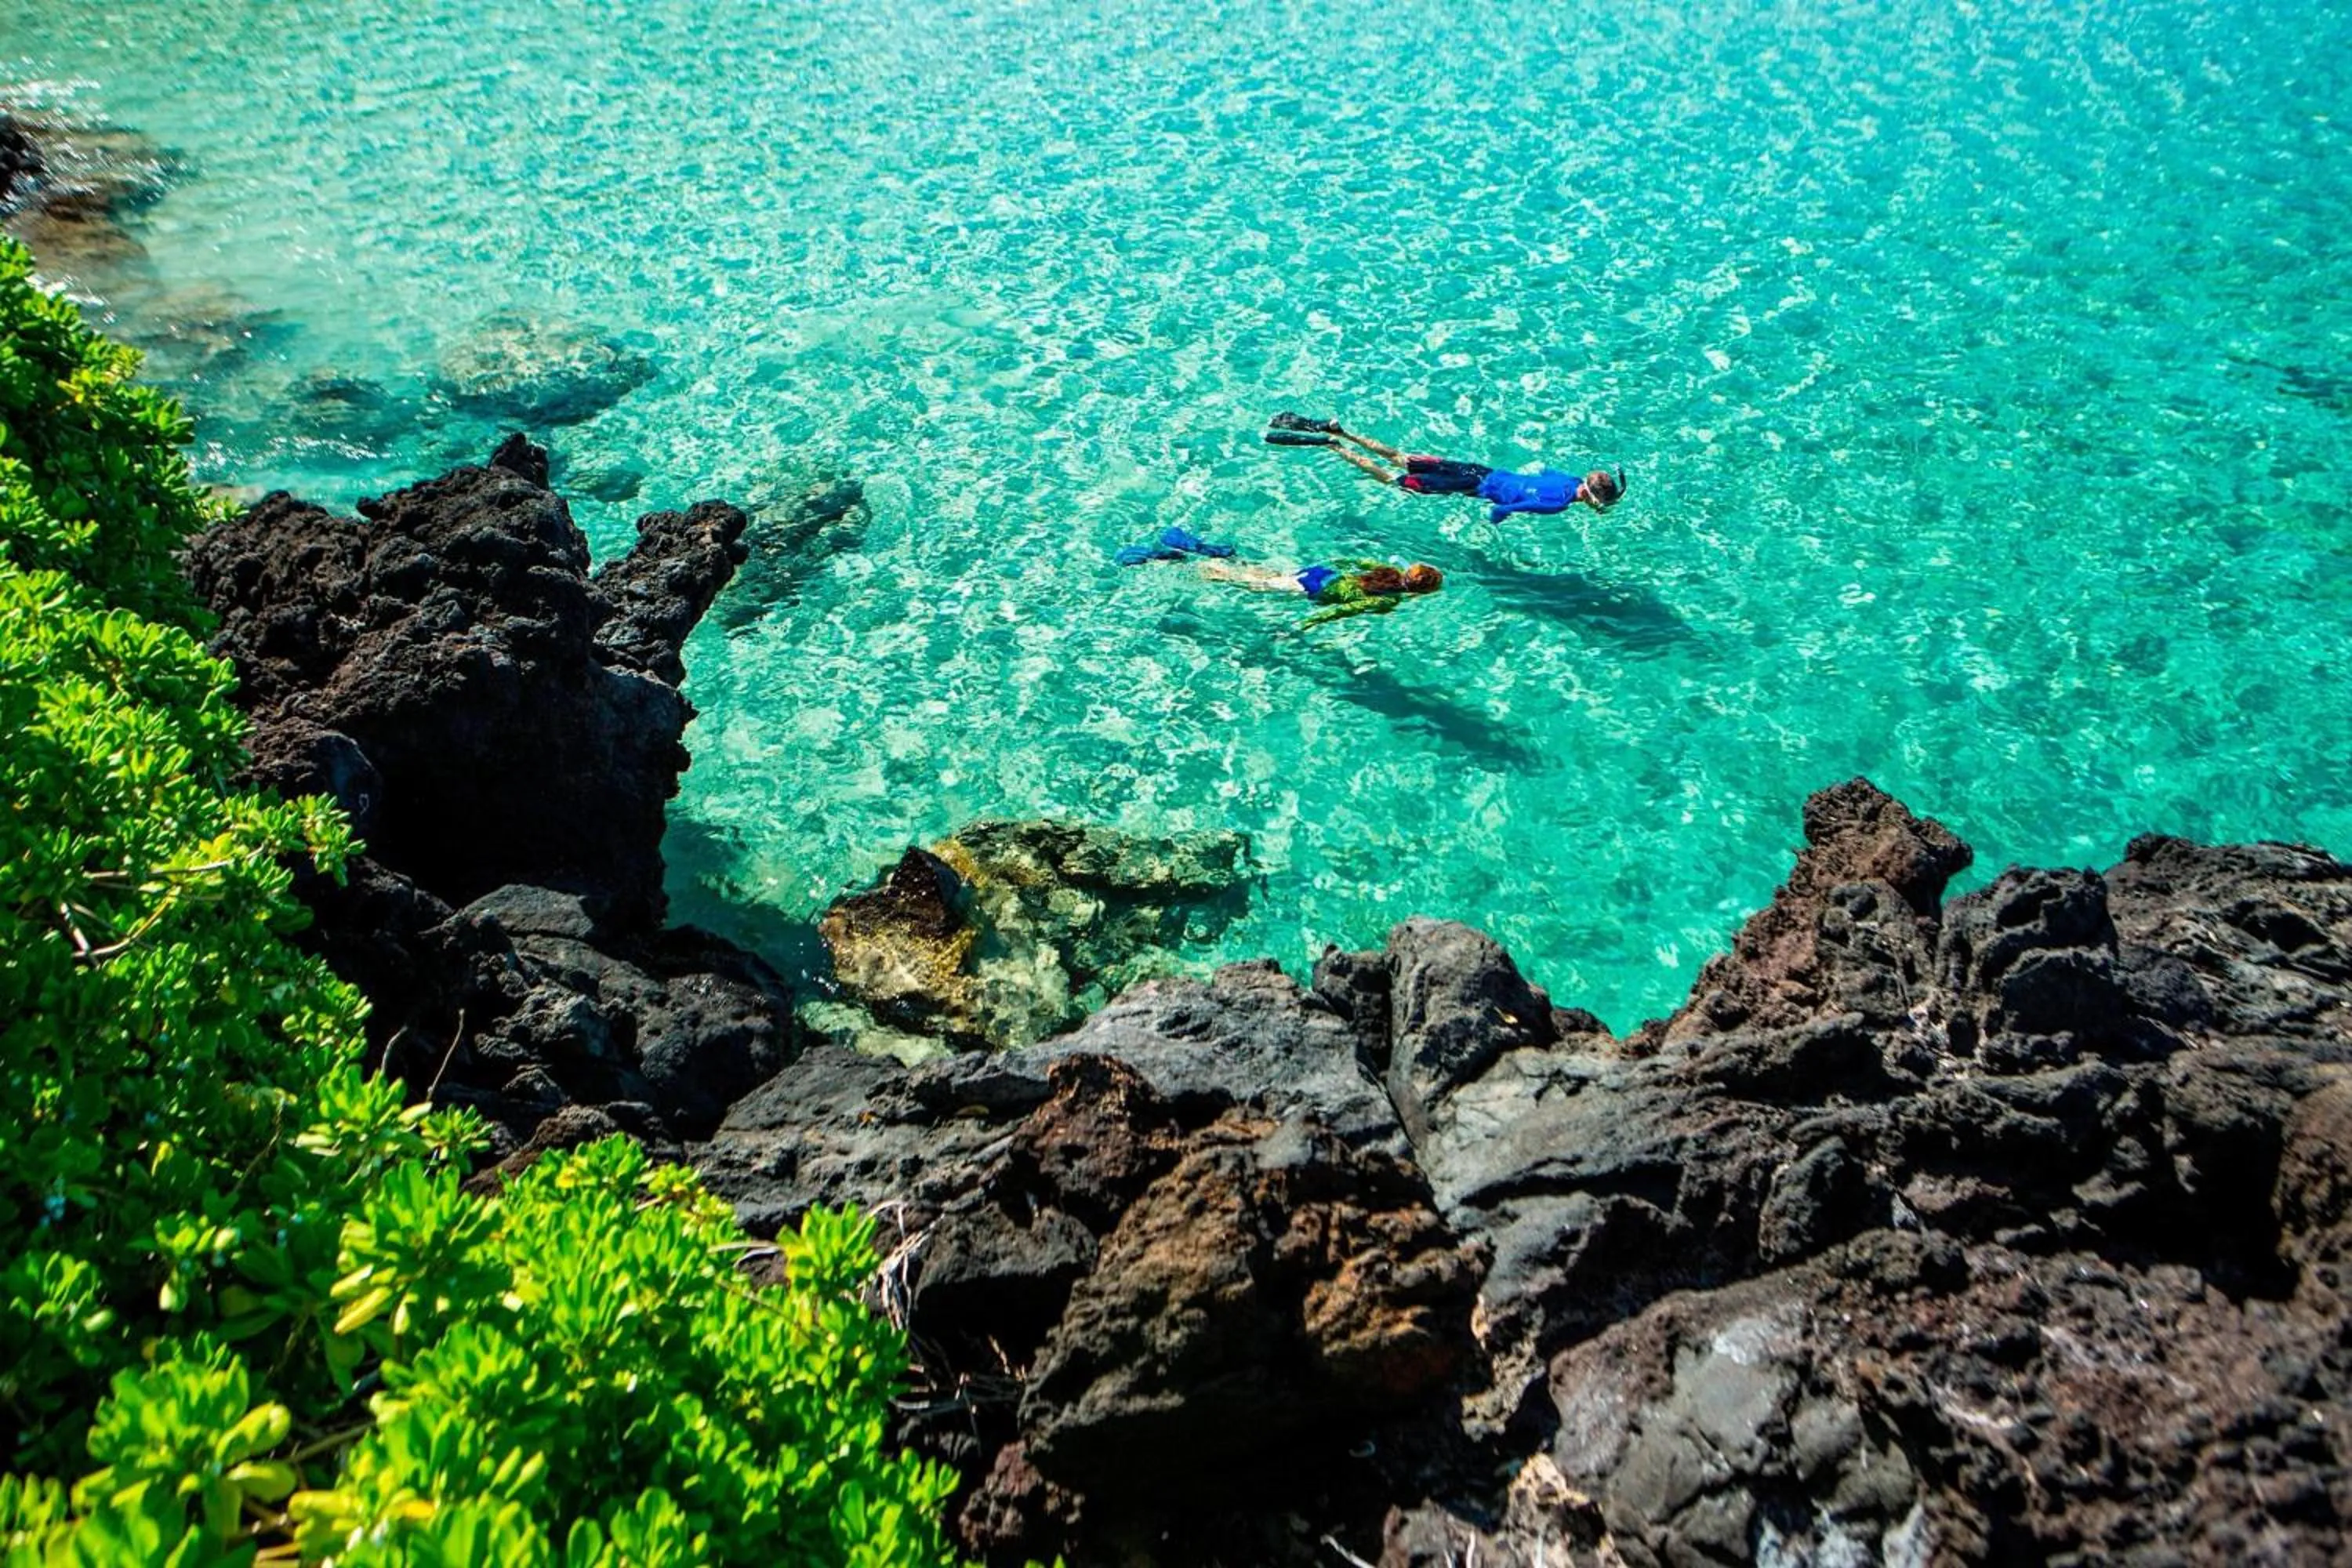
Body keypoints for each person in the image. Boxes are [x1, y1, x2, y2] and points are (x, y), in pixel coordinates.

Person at [1265, 412, 1625, 524]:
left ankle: (1339, 429)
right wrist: (1495, 526)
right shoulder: (1558, 505)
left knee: (1401, 457)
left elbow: (1544, 470)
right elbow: (1502, 510)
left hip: (1480, 471)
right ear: (1590, 496)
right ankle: (1334, 446)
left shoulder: (1567, 481)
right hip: (1471, 489)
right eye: (1602, 504)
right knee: (1395, 480)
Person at [1112, 527, 1443, 628]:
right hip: (1307, 588)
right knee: (1226, 578)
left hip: (1317, 572)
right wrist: (1306, 625)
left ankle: (1207, 549)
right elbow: (1342, 611)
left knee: (1251, 570)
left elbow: (1353, 559)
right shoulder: (1386, 601)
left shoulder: (1385, 571)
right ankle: (1160, 560)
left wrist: (1337, 561)